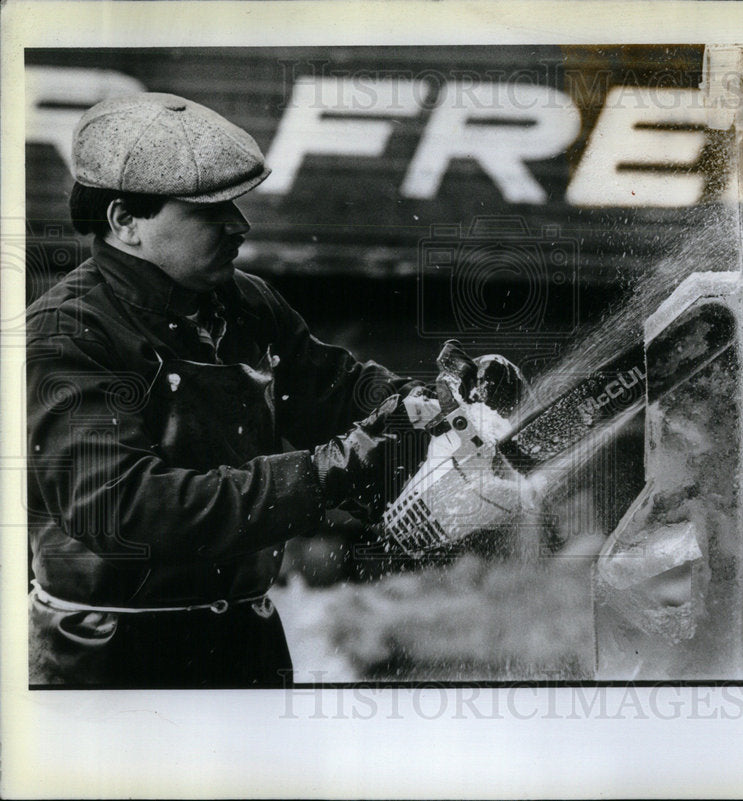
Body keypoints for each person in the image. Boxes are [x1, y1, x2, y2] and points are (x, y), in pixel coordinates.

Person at [26, 92, 513, 688]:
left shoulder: (243, 301)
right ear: (125, 220)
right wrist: (328, 471)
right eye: (209, 210)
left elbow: (336, 391)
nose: (239, 225)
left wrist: (443, 404)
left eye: (234, 202)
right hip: (111, 657)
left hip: (243, 638)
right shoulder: (65, 333)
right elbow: (123, 508)